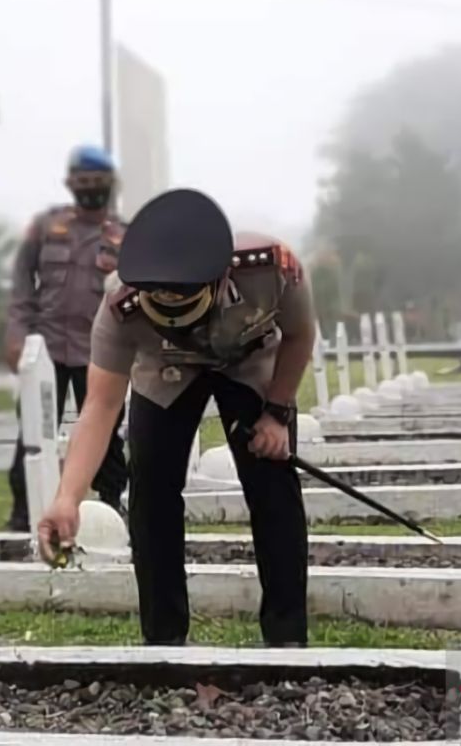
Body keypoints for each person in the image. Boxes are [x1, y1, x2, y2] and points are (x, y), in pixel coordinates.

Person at [37, 188, 317, 646]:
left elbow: (300, 334)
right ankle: (163, 639)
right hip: (165, 372)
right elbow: (101, 405)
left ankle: (288, 639)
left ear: (221, 278)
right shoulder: (119, 308)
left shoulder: (271, 267)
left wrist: (277, 413)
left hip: (249, 364)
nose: (175, 319)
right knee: (149, 489)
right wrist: (68, 497)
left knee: (273, 485)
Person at [3, 144, 130, 532]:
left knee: (105, 431)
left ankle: (111, 504)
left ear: (110, 184)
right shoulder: (46, 228)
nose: (90, 188)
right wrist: (16, 332)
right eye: (83, 181)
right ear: (70, 184)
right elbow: (23, 283)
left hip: (99, 352)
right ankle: (23, 511)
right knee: (34, 430)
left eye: (97, 182)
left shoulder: (124, 235)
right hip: (48, 347)